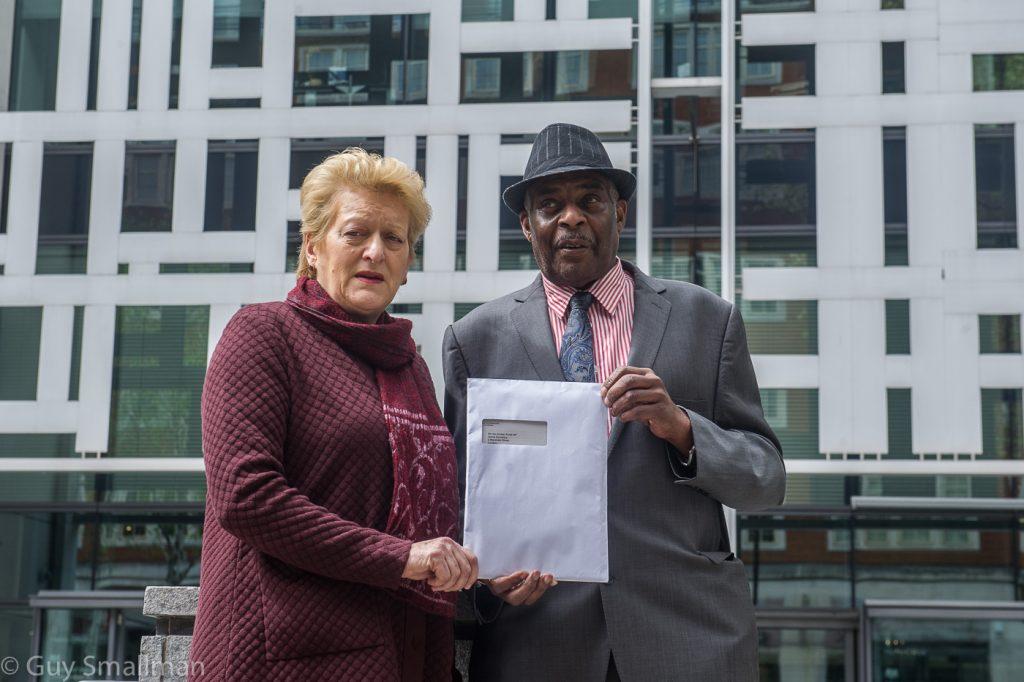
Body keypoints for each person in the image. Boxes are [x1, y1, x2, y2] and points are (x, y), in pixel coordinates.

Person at [442, 123, 786, 681]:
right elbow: (457, 503)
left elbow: (766, 480)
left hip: (686, 638)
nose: (571, 217)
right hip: (536, 644)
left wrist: (680, 426)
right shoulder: (475, 340)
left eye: (590, 200)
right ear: (528, 225)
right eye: (550, 204)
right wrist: (483, 586)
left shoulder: (707, 321)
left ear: (619, 213)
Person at [188, 148, 478, 681]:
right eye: (355, 233)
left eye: (394, 239)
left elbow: (431, 513)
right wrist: (400, 558)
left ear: (408, 263)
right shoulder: (264, 333)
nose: (375, 251)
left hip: (404, 646)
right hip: (284, 655)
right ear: (313, 247)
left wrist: (484, 569)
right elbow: (245, 498)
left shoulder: (409, 365)